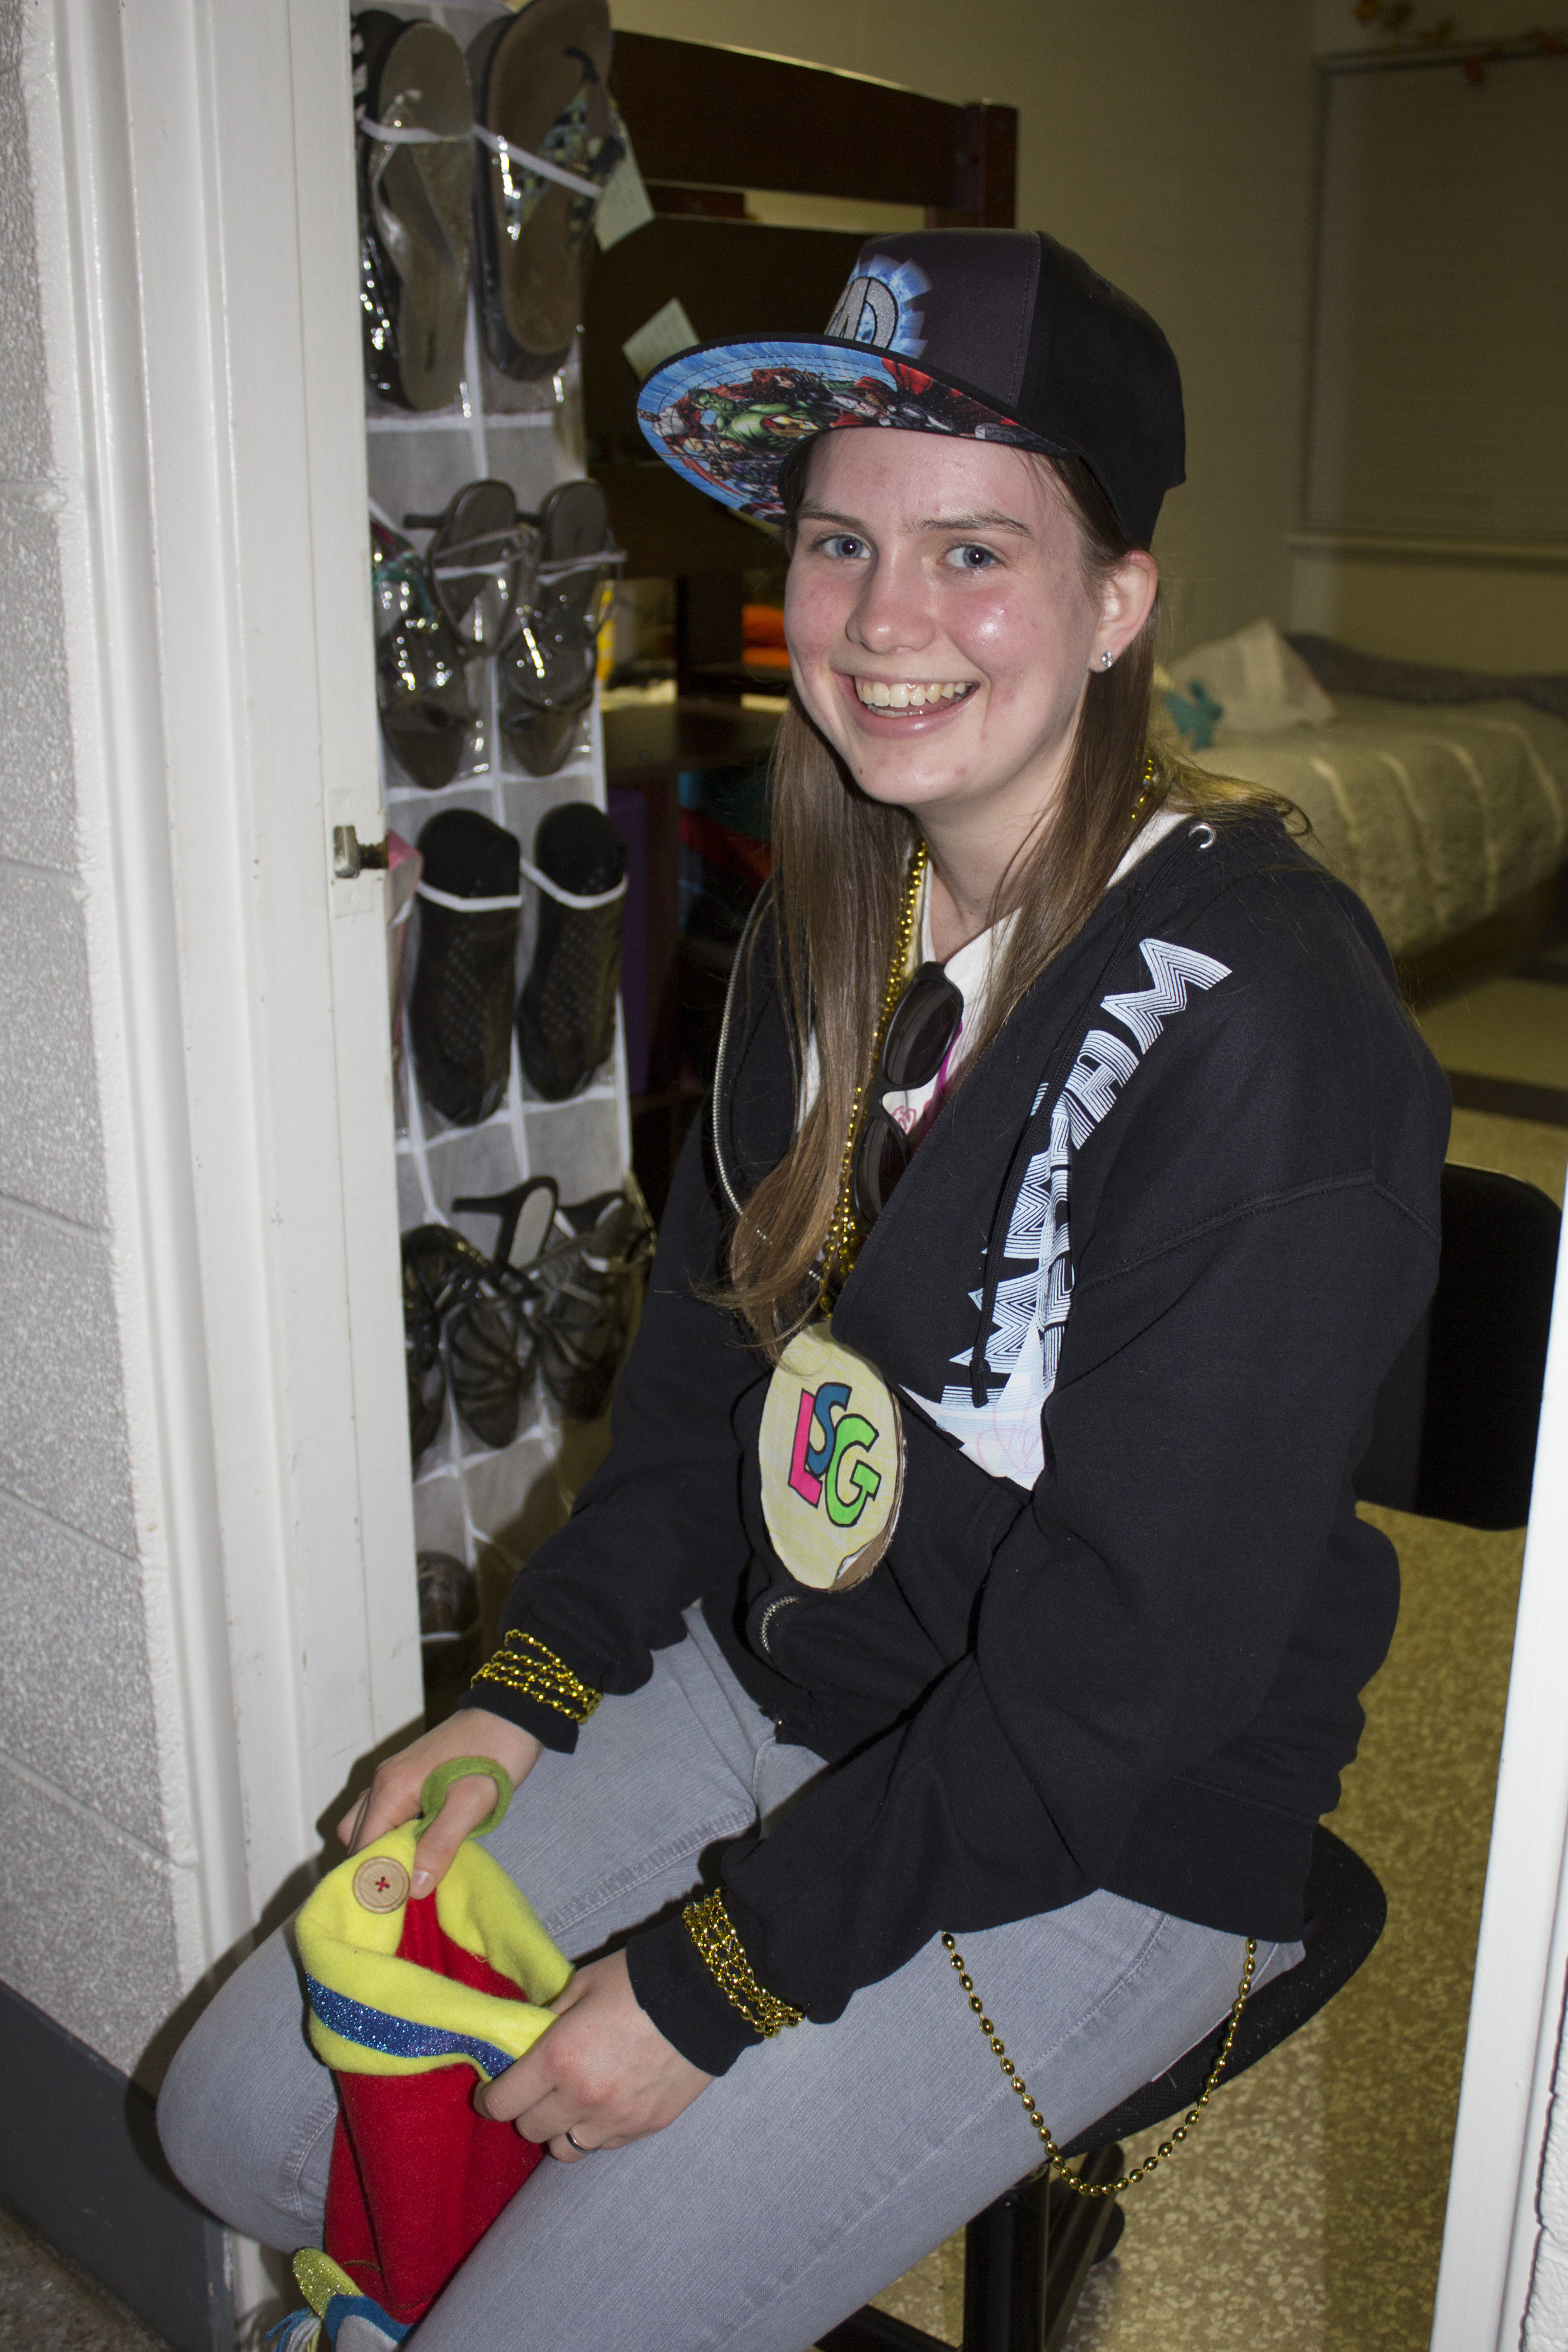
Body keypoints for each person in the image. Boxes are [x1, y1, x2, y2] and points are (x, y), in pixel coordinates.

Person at [159, 231, 1448, 2349]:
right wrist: (525, 1692)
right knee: (238, 2122)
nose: (882, 621)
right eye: (841, 543)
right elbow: (690, 1411)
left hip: (1105, 1817)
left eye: (974, 551)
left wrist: (712, 1979)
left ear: (1119, 604)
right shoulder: (820, 931)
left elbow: (1125, 1679)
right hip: (790, 1681)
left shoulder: (1264, 1022)